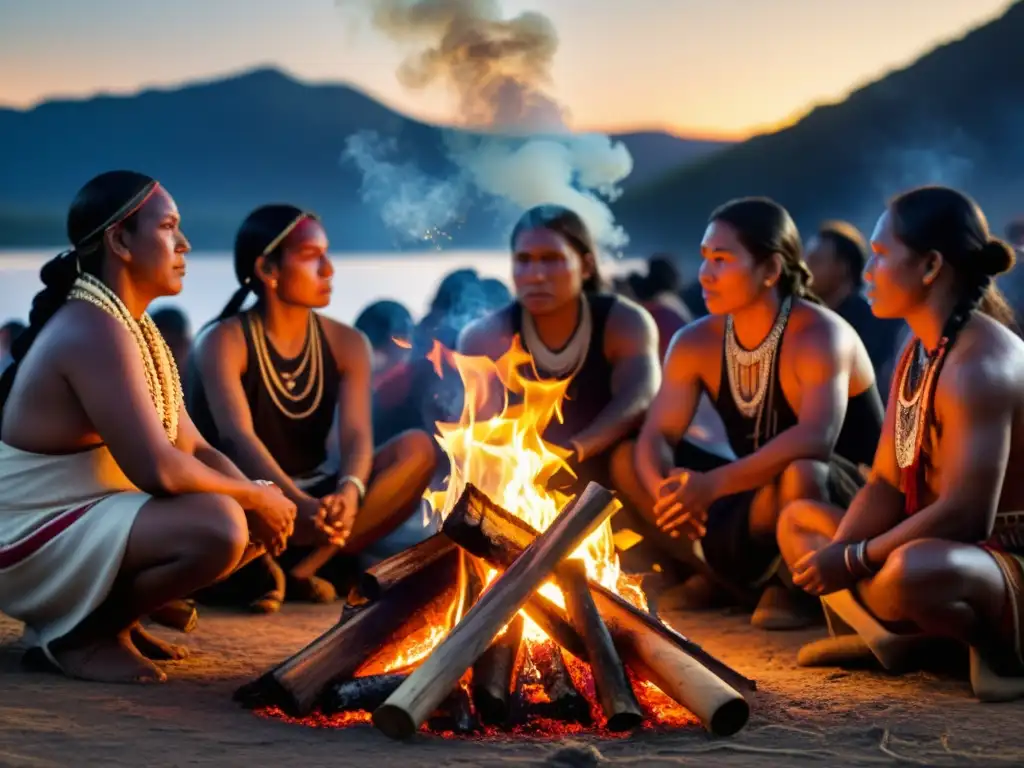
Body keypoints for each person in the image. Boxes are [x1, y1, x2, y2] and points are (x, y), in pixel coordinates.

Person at [0, 171, 295, 683]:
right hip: (22, 539)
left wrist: (260, 495)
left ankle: (113, 619)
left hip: (77, 523)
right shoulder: (92, 328)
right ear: (120, 241)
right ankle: (81, 637)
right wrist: (254, 496)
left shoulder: (132, 327)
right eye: (168, 227)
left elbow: (195, 447)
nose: (184, 244)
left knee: (245, 515)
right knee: (220, 527)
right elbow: (159, 469)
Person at [777, 186, 1024, 701]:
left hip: (998, 556)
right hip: (928, 544)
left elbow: (967, 516)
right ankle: (894, 638)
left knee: (907, 573)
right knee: (799, 521)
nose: (868, 270)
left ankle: (991, 647)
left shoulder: (981, 362)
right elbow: (888, 481)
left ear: (931, 265)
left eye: (883, 255)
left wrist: (851, 562)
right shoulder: (920, 348)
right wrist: (842, 550)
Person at [611, 197, 883, 628]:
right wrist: (669, 494)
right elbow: (657, 435)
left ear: (771, 269)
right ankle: (735, 581)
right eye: (704, 258)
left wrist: (711, 486)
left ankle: (796, 591)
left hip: (851, 501)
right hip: (757, 489)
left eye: (721, 259)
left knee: (802, 469)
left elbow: (815, 437)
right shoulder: (694, 341)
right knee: (628, 459)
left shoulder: (819, 333)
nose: (705, 273)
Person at [188, 205, 436, 612]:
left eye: (328, 253)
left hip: (317, 510)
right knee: (227, 505)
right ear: (268, 270)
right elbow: (236, 437)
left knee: (417, 449)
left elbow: (357, 436)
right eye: (311, 256)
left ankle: (306, 568)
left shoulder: (347, 343)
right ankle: (263, 565)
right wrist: (293, 505)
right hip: (249, 501)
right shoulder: (221, 341)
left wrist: (349, 492)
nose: (328, 269)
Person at [458, 204, 661, 495]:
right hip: (527, 484)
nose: (535, 275)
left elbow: (640, 398)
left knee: (628, 458)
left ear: (587, 266)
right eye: (523, 260)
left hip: (615, 480)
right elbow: (482, 435)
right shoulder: (485, 337)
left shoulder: (624, 322)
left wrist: (571, 452)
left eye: (552, 259)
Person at [805, 221, 903, 385]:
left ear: (842, 268)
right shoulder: (806, 322)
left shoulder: (875, 327)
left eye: (816, 261)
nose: (805, 268)